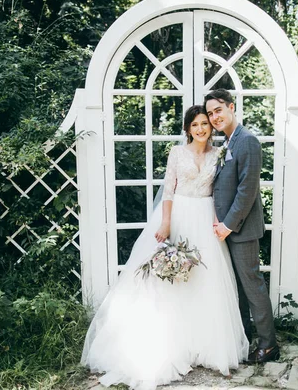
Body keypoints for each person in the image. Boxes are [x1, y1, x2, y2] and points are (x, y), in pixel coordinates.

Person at [81, 105, 249, 390]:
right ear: (187, 129)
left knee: (206, 281)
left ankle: (205, 345)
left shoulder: (219, 155)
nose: (200, 129)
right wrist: (166, 222)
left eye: (205, 124)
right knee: (167, 281)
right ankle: (168, 342)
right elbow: (168, 190)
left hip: (205, 219)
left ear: (211, 128)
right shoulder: (176, 153)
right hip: (179, 215)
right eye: (194, 125)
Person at [205, 89, 280, 364]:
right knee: (237, 288)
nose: (214, 117)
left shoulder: (247, 141)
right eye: (210, 113)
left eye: (218, 110)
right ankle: (244, 339)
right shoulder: (228, 142)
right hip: (226, 229)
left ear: (231, 107)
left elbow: (247, 190)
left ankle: (269, 345)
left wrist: (228, 225)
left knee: (253, 286)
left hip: (242, 229)